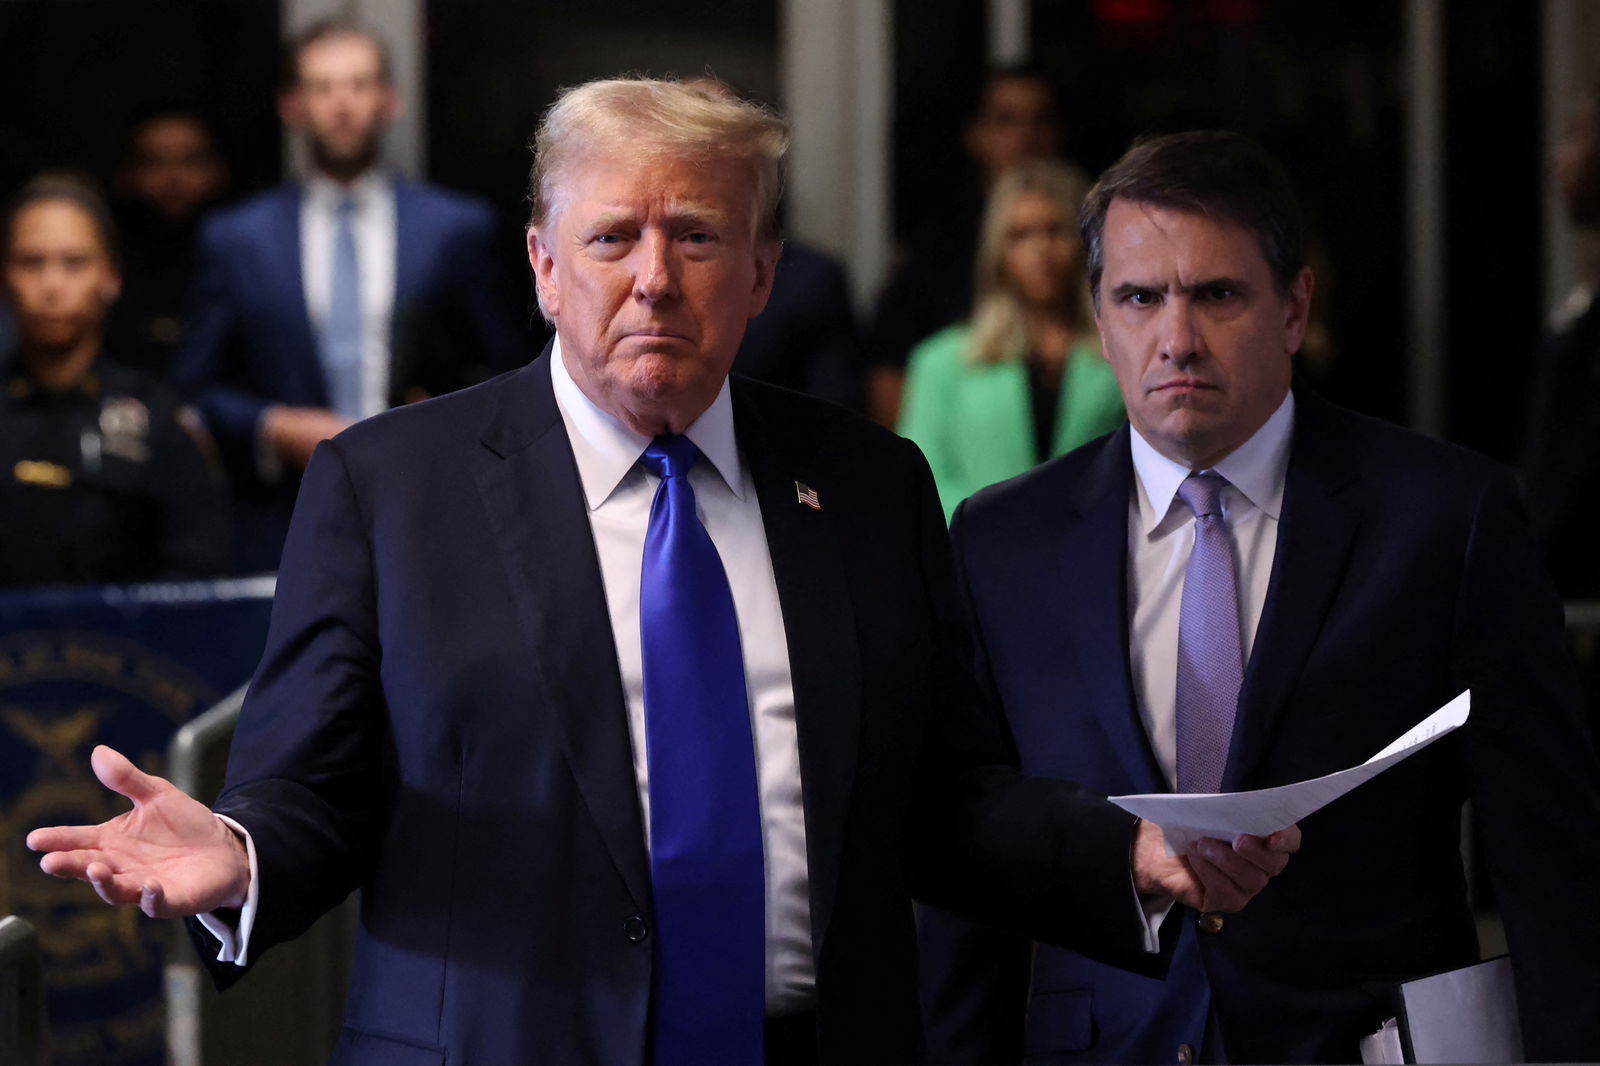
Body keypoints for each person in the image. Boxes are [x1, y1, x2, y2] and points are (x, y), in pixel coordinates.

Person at [27, 81, 1300, 1065]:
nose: (653, 277)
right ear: (542, 266)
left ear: (759, 273)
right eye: (611, 236)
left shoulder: (868, 486)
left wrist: (1126, 850)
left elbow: (941, 797)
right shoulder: (388, 486)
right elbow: (318, 783)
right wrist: (241, 848)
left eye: (696, 234)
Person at [917, 130, 1600, 1065]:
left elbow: (1552, 850)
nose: (1177, 339)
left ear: (1294, 307)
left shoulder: (1447, 516)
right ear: (1099, 319)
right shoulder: (1002, 540)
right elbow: (965, 832)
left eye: (1218, 294)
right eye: (1140, 298)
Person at [171, 18, 526, 572]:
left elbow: (509, 371)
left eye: (359, 84)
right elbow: (194, 386)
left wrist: (444, 414)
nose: (342, 103)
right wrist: (274, 426)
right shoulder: (239, 238)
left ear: (390, 99)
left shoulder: (453, 228)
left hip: (429, 503)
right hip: (284, 519)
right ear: (291, 105)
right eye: (323, 87)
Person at [0, 176, 228, 585]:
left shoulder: (158, 419)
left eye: (74, 263)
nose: (51, 285)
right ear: (6, 276)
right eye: (31, 262)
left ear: (110, 276)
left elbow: (196, 575)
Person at [898, 160, 1123, 519]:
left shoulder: (1121, 353)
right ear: (997, 250)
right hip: (976, 545)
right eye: (1020, 235)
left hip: (1101, 541)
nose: (1041, 249)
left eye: (1055, 230)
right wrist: (1001, 528)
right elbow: (922, 477)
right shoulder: (941, 361)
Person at [869, 65, 1068, 427]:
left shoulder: (1094, 231)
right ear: (976, 135)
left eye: (1040, 120)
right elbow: (889, 367)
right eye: (1006, 121)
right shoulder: (936, 248)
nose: (1025, 136)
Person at [105, 104, 230, 380]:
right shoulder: (103, 263)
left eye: (190, 160)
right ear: (127, 174)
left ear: (218, 170)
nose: (173, 177)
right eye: (154, 162)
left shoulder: (242, 262)